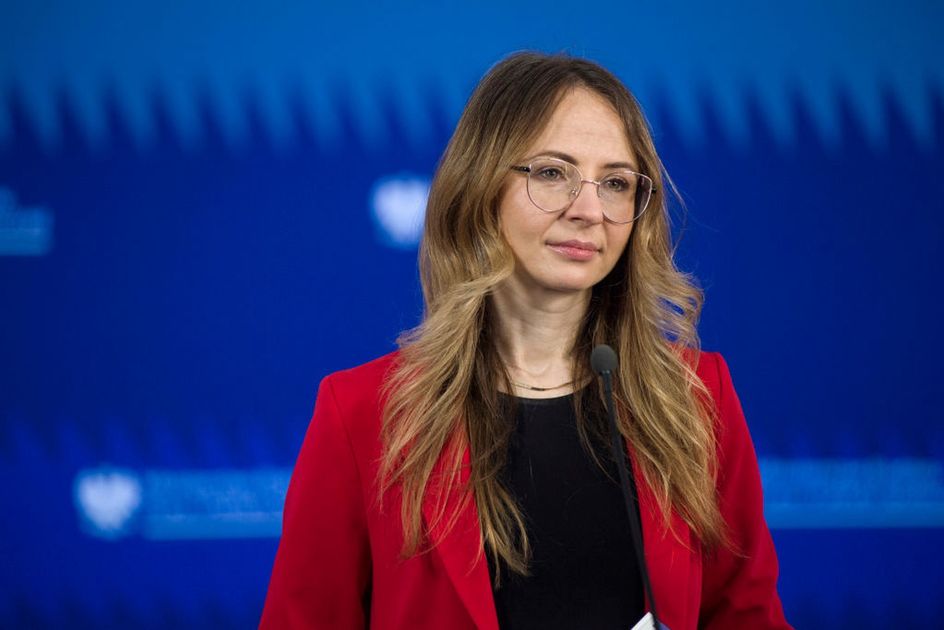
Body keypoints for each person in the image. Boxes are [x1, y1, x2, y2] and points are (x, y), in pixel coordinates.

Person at [260, 52, 790, 629]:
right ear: (480, 185)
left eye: (615, 183)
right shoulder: (362, 413)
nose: (589, 210)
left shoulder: (696, 398)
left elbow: (747, 617)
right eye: (553, 173)